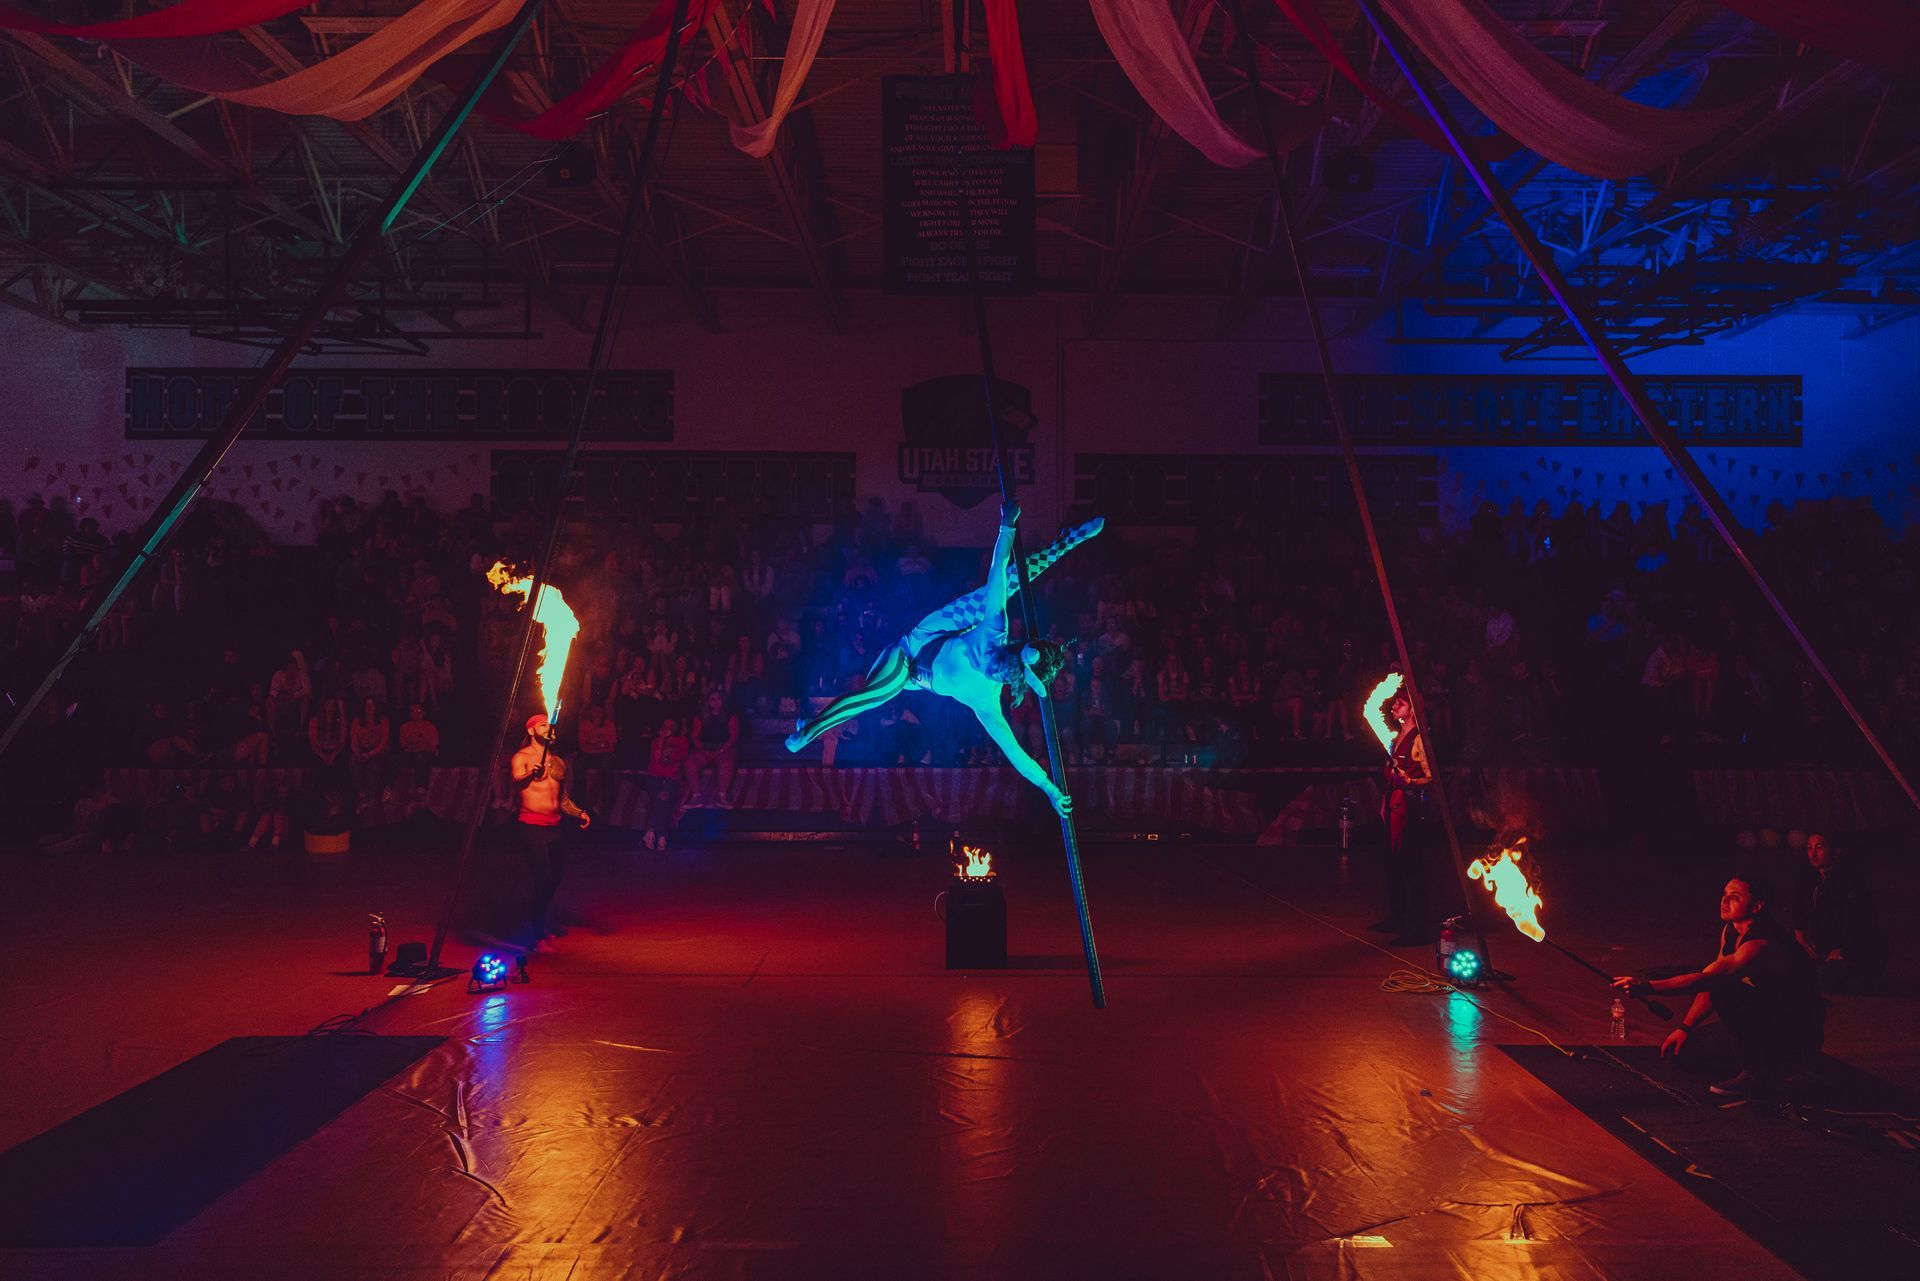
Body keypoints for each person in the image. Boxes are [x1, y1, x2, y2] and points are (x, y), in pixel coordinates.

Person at [783, 501, 1102, 815]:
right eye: (994, 659)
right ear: (1007, 650)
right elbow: (997, 572)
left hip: (912, 677)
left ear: (1006, 680)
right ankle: (809, 730)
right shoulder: (994, 631)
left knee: (888, 688)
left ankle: (810, 725)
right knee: (1008, 586)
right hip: (913, 646)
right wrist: (1007, 525)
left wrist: (1049, 788)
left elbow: (1016, 754)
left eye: (994, 672)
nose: (987, 665)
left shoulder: (986, 701)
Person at [1613, 873, 1824, 1099]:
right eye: (1724, 894)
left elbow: (1708, 980)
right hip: (1766, 1018)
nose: (1724, 901)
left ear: (1757, 906)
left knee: (1726, 989)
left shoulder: (1761, 943)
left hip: (1795, 1031)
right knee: (1684, 1054)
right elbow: (1709, 977)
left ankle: (1763, 1073)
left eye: (1734, 897)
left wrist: (1648, 986)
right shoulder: (1732, 930)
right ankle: (1777, 1068)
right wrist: (1684, 1028)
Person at [510, 715, 591, 953]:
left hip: (554, 826)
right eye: (543, 725)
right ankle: (536, 937)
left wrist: (578, 812)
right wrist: (529, 774)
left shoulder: (558, 761)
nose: (550, 728)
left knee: (555, 880)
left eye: (550, 725)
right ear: (532, 731)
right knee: (543, 879)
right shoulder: (521, 757)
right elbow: (515, 782)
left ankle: (540, 923)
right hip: (531, 826)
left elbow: (563, 798)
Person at [1372, 684, 1433, 946]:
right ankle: (1396, 916)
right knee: (1392, 863)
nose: (1394, 706)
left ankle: (1417, 928)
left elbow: (1431, 777)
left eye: (1400, 703)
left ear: (1412, 709)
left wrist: (1409, 781)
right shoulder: (1395, 737)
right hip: (1393, 807)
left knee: (1411, 867)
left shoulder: (1420, 738)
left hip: (1411, 809)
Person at [1791, 833, 1883, 992]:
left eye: (1819, 847)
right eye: (1809, 847)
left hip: (1849, 950)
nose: (1813, 854)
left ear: (1836, 851)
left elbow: (1863, 922)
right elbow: (1798, 911)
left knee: (1824, 977)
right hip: (1820, 948)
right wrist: (1802, 942)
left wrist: (1844, 950)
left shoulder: (1851, 880)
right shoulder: (1807, 877)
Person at [642, 717, 690, 850]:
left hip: (672, 777)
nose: (668, 728)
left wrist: (670, 753)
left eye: (671, 725)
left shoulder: (682, 741)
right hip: (655, 776)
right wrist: (662, 741)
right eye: (665, 725)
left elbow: (679, 758)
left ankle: (651, 832)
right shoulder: (656, 742)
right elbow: (657, 759)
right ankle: (662, 835)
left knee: (662, 798)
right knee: (660, 800)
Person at [685, 690, 739, 805]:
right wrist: (703, 749)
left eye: (718, 699)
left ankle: (722, 796)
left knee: (726, 765)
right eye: (712, 699)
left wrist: (721, 750)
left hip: (725, 748)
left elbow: (734, 736)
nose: (715, 702)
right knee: (690, 763)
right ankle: (695, 796)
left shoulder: (730, 715)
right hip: (704, 748)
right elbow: (694, 736)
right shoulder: (700, 716)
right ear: (708, 702)